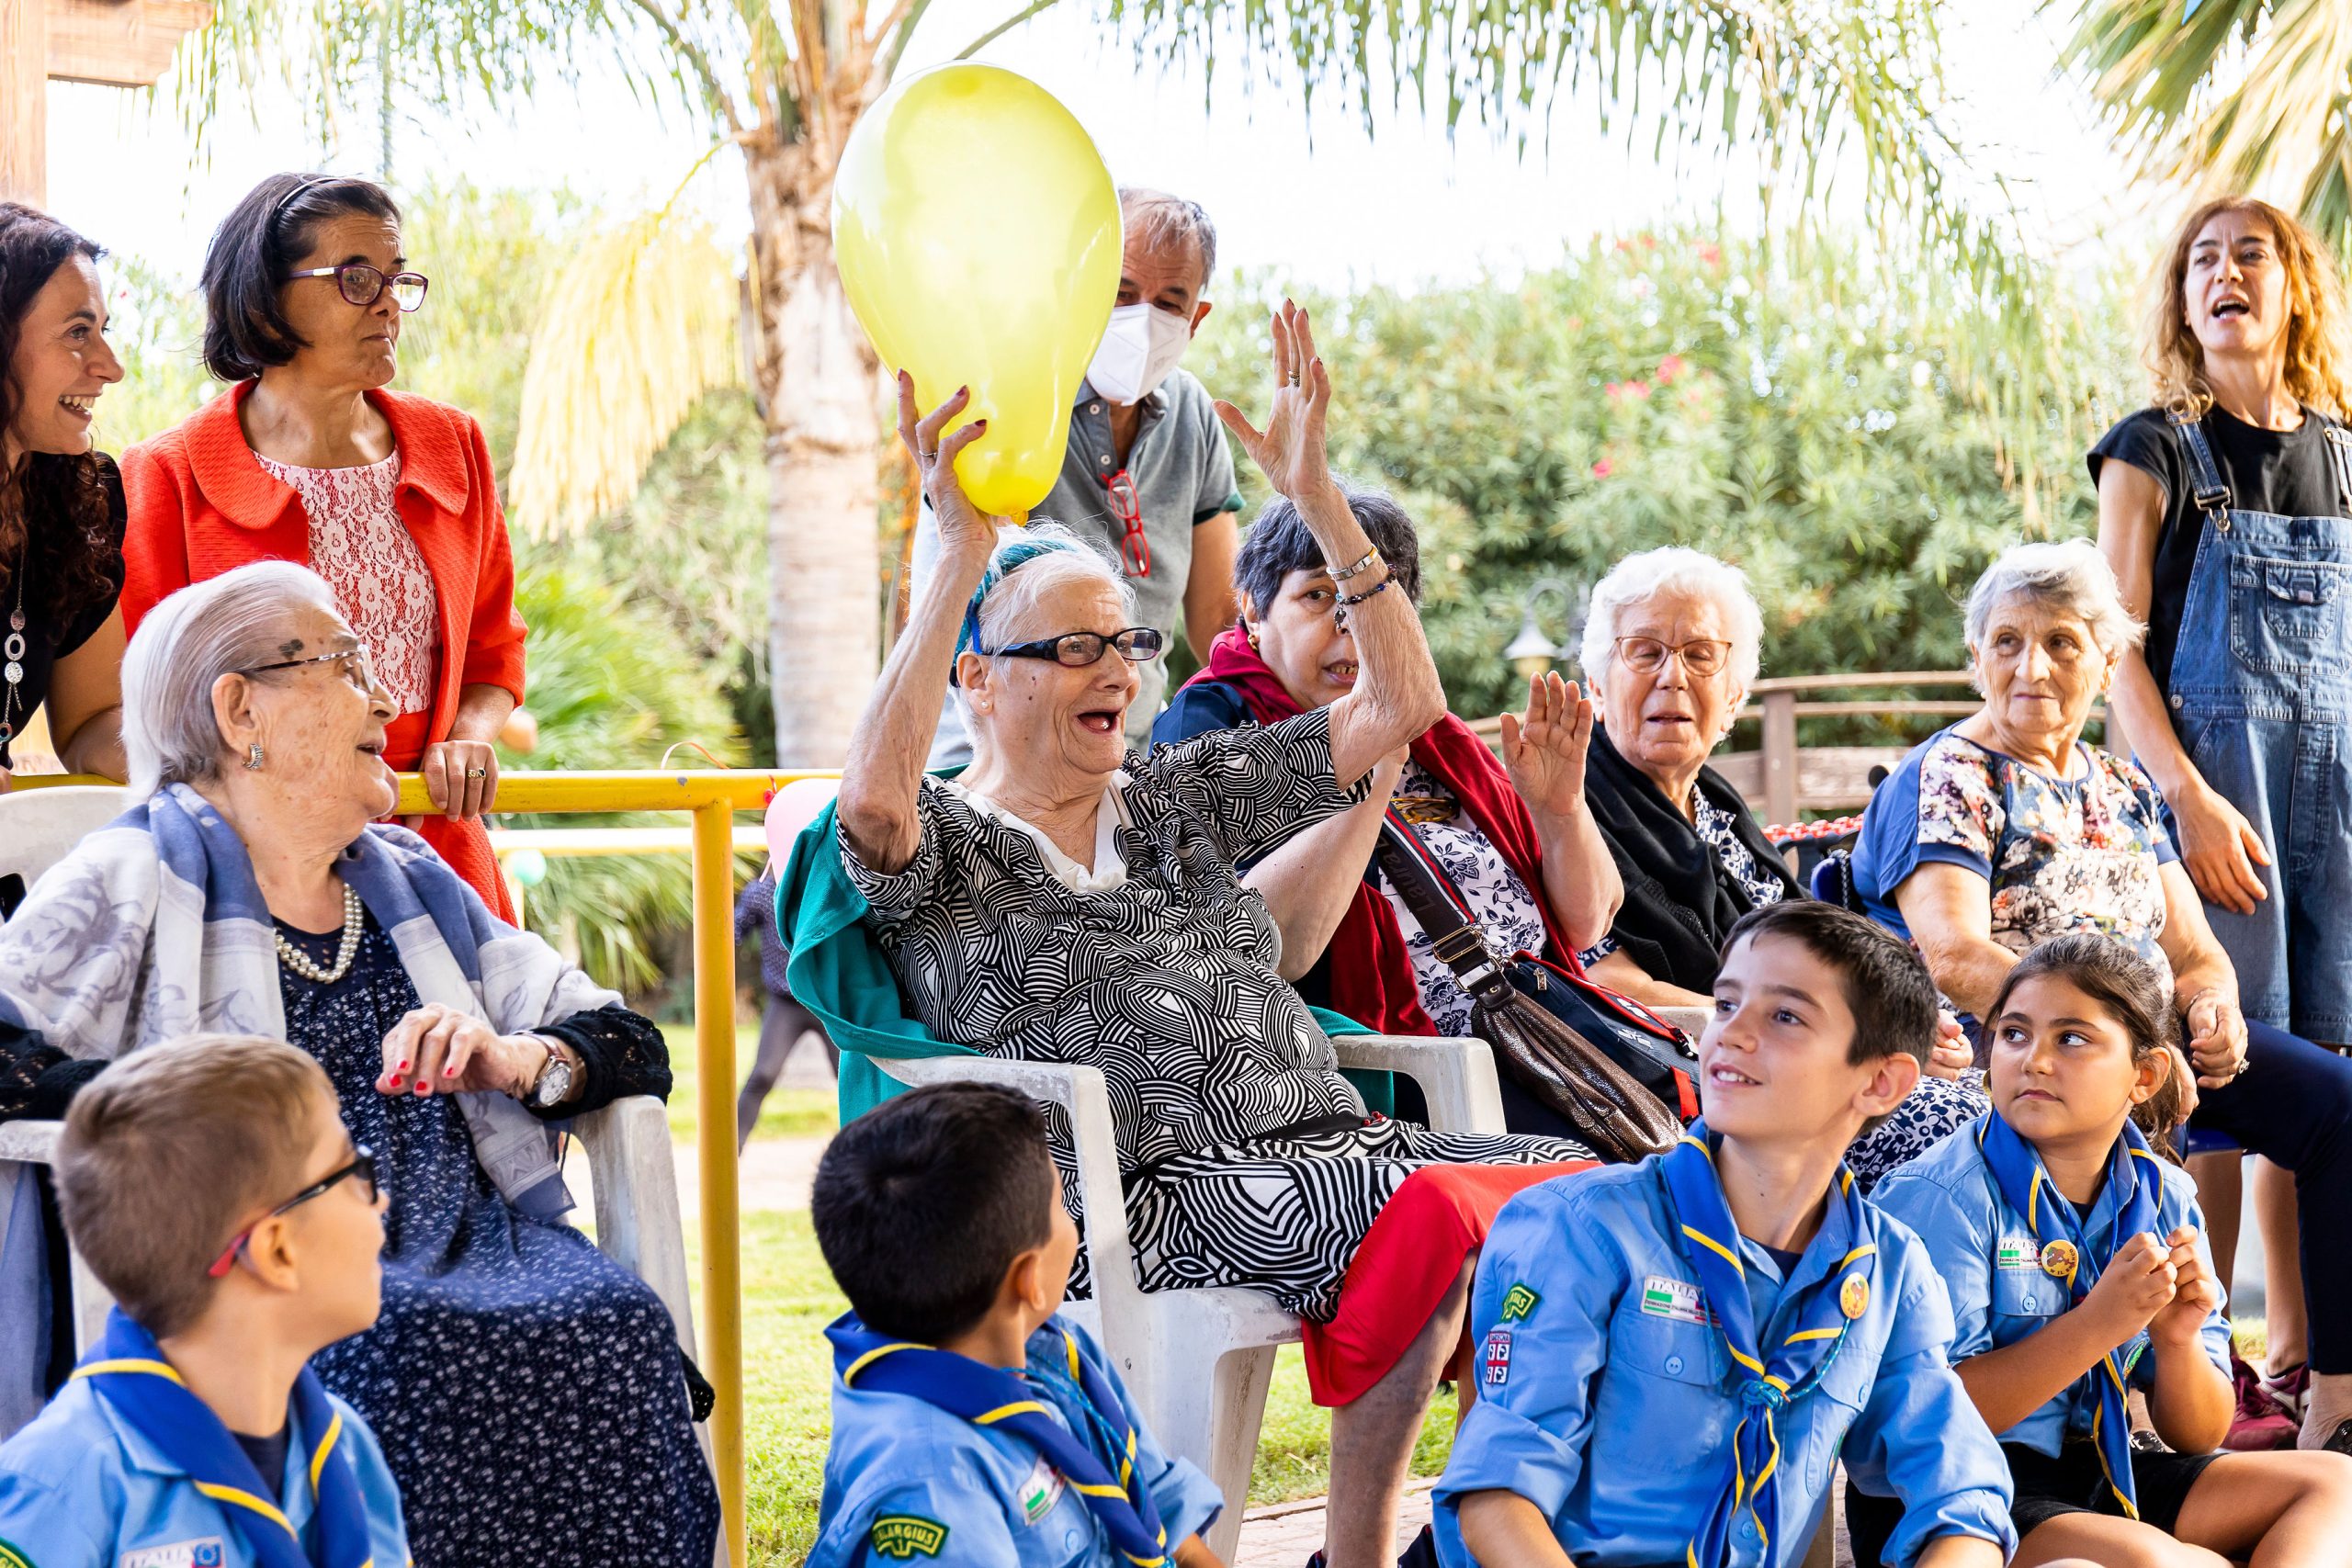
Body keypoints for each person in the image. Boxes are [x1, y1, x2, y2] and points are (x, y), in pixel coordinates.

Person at [838, 302, 1594, 1568]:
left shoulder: (1176, 796)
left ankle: (1465, 1533)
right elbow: (868, 795)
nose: (1119, 670)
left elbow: (1398, 703)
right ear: (981, 677)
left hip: (1327, 1143)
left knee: (1591, 1195)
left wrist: (1316, 494)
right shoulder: (945, 844)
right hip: (1141, 1192)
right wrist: (957, 555)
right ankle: (1363, 1555)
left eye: (1128, 640)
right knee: (1431, 1200)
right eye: (1072, 647)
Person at [0, 562, 718, 1565]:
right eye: (341, 664)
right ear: (238, 708)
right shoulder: (134, 874)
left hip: (480, 1241)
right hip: (267, 1271)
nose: (382, 698)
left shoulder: (412, 883)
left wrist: (510, 1060)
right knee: (394, 1353)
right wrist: (177, 1110)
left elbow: (628, 1045)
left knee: (612, 1320)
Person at [1851, 537, 2352, 1453]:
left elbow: (2194, 951)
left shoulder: (2121, 786)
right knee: (2115, 1097)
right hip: (2017, 1054)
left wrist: (2212, 1005)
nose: (2028, 666)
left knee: (2332, 1104)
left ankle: (2332, 1397)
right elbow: (1955, 952)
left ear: (2107, 663)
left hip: (2140, 1049)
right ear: (1975, 659)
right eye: (2004, 642)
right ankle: (2137, 1391)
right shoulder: (1952, 778)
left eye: (2060, 643)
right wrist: (2099, 1031)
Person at [1431, 900, 2017, 1568]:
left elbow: (1963, 1490)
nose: (1731, 1035)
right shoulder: (1582, 1225)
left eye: (1786, 1016)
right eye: (1728, 1003)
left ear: (1881, 1081)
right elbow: (1498, 1498)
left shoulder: (1889, 1270)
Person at [2090, 196, 2352, 1439]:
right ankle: (2212, 1352)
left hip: (2339, 801)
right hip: (2213, 791)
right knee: (2221, 1057)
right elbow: (2112, 650)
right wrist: (2185, 798)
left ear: (2293, 283)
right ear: (2184, 300)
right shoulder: (2156, 447)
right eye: (2202, 259)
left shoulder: (2347, 449)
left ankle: (2304, 1353)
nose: (2224, 273)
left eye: (2249, 252)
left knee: (2333, 1070)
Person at [1869, 936, 2352, 1566]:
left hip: (2105, 1472)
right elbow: (1933, 1414)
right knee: (2163, 1561)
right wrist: (2099, 1323)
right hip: (1956, 1492)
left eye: (2070, 1038)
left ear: (2145, 1074)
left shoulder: (2167, 1193)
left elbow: (2200, 1433)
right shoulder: (1940, 1196)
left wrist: (2176, 1343)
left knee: (2335, 1484)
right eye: (2014, 1034)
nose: (2034, 1060)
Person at [119, 172, 526, 919]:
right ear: (267, 295)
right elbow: (151, 705)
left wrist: (468, 737)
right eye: (356, 278)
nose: (387, 305)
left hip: (440, 859)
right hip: (251, 873)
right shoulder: (168, 475)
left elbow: (496, 653)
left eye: (397, 279)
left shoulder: (454, 446)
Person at [1153, 488, 1623, 1081]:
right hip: (1416, 1071)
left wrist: (1559, 808)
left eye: (1375, 597)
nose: (1350, 623)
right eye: (1319, 595)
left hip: (1549, 1032)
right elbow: (1271, 948)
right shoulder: (1211, 724)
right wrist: (1374, 753)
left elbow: (1587, 924)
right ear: (1252, 608)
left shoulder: (1439, 733)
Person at [1572, 546, 1983, 1187]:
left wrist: (1903, 1025)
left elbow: (1813, 951)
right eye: (1645, 651)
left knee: (2042, 1118)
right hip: (1696, 1085)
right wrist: (1842, 1041)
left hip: (1804, 1066)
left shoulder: (1718, 809)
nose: (1673, 677)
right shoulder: (1571, 803)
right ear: (1598, 685)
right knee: (1964, 1129)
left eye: (1701, 655)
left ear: (1733, 698)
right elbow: (1611, 982)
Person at [0, 1034, 410, 1566]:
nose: (381, 1200)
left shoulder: (345, 1448)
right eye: (355, 1172)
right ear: (278, 1250)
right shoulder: (60, 1482)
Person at [808, 1080, 1227, 1568]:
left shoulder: (1057, 1350)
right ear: (1029, 1279)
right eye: (1063, 1207)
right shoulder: (930, 1477)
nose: (1072, 1221)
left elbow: (1160, 1513)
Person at [916, 187, 1241, 765]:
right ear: (1077, 287)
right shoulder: (1006, 396)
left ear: (1198, 317)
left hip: (1125, 769)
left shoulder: (1194, 414)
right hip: (984, 766)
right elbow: (948, 610)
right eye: (1121, 293)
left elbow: (1218, 622)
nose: (1144, 318)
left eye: (1170, 301)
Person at [0, 202, 127, 786]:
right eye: (78, 333)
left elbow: (92, 723)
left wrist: (203, 760)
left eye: (102, 331)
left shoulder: (82, 501)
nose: (110, 366)